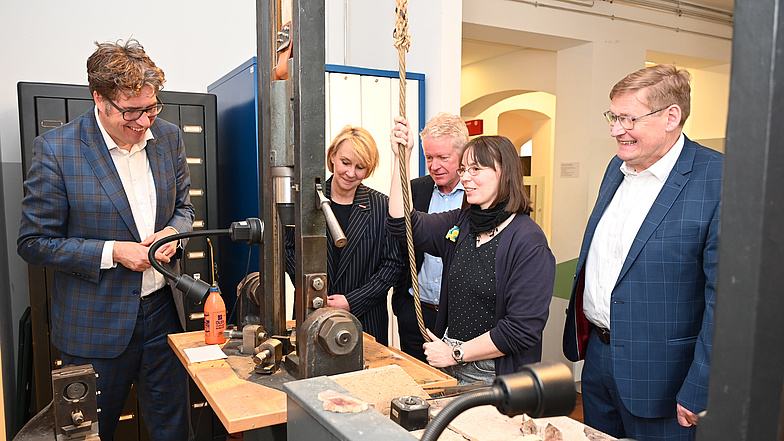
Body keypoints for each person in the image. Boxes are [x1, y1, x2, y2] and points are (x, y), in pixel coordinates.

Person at [17, 39, 193, 441]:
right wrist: (113, 252)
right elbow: (33, 242)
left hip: (164, 314)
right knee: (87, 434)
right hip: (93, 327)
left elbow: (185, 209)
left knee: (174, 431)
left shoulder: (168, 139)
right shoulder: (57, 149)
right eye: (131, 111)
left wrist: (174, 234)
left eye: (150, 108)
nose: (144, 122)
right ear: (99, 98)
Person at [563, 65, 722, 441]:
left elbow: (726, 301)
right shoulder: (616, 170)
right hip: (599, 362)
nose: (616, 129)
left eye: (628, 118)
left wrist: (701, 385)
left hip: (666, 379)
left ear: (671, 116)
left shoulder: (717, 180)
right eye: (613, 117)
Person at [388, 119, 555, 384]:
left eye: (476, 169)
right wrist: (402, 158)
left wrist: (456, 353)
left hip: (494, 373)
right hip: (450, 363)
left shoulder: (528, 242)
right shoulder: (462, 222)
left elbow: (522, 329)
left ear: (505, 173)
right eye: (464, 169)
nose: (465, 177)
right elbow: (402, 224)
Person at [286, 125, 404, 345]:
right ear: (332, 157)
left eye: (360, 167)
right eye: (345, 162)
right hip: (312, 314)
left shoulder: (381, 206)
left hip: (365, 320)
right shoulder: (306, 202)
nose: (351, 173)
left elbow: (392, 266)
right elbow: (288, 249)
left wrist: (352, 301)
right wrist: (313, 290)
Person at [391, 112, 468, 363]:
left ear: (463, 154)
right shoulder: (414, 190)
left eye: (443, 157)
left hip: (457, 316)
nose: (435, 165)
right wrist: (404, 308)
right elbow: (398, 243)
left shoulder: (476, 196)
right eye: (429, 157)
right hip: (416, 312)